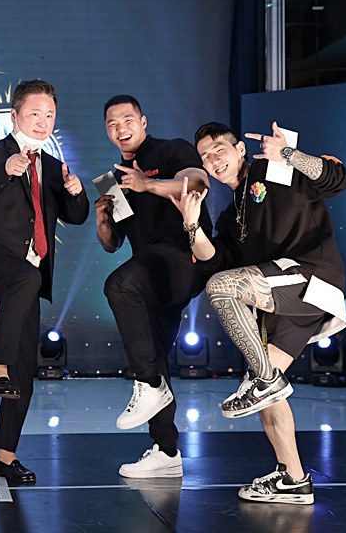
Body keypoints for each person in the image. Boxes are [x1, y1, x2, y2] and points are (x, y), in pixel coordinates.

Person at [173, 120, 346, 504]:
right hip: (280, 300)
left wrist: (288, 153)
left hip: (310, 279)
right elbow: (214, 259)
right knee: (263, 386)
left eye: (219, 149)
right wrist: (191, 225)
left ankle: (267, 381)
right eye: (205, 156)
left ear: (240, 150)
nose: (213, 159)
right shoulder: (229, 215)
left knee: (222, 289)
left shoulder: (274, 170)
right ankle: (293, 479)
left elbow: (337, 179)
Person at [0, 80, 89, 484]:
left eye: (49, 115)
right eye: (34, 113)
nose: (42, 121)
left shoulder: (52, 165)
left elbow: (75, 216)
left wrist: (76, 192)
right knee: (27, 277)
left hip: (25, 276)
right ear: (15, 115)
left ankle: (5, 457)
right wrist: (4, 171)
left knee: (25, 368)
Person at [95, 95, 212, 478]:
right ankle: (166, 451)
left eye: (127, 120)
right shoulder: (114, 179)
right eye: (112, 124)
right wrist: (103, 222)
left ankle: (146, 382)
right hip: (150, 272)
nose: (121, 128)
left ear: (143, 122)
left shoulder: (170, 149)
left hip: (184, 254)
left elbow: (198, 182)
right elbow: (113, 244)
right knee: (154, 351)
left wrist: (149, 184)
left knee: (118, 285)